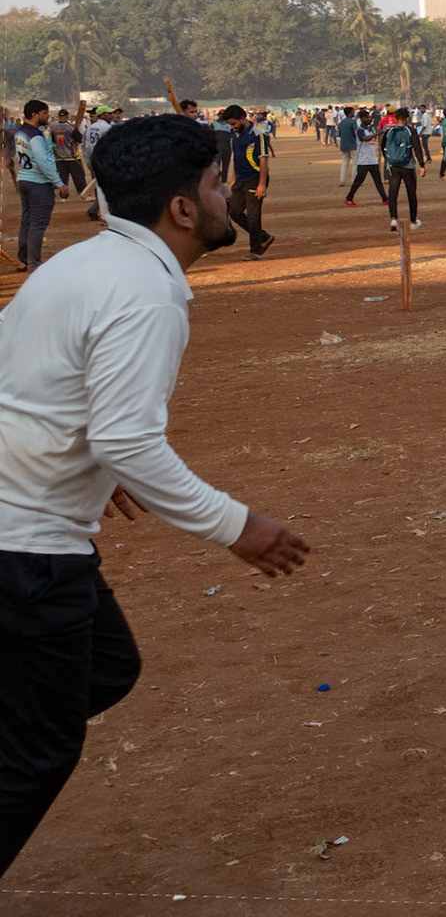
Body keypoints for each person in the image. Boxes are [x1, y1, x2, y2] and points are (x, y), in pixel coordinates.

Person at [0, 113, 309, 877]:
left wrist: (78, 459)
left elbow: (35, 388)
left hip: (26, 524)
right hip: (26, 547)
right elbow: (127, 441)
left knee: (107, 667)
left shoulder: (84, 263)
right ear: (180, 208)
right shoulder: (143, 291)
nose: (226, 194)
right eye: (213, 183)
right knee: (37, 753)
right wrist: (238, 527)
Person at [12, 101, 65, 271]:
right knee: (37, 224)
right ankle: (33, 263)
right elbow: (42, 161)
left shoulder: (20, 132)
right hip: (38, 183)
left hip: (24, 179)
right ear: (35, 114)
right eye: (44, 113)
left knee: (27, 222)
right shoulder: (35, 136)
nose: (47, 116)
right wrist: (58, 183)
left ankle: (24, 258)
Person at [217, 104, 272, 258]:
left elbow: (263, 161)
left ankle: (256, 250)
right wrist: (233, 180)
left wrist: (262, 184)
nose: (232, 127)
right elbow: (238, 158)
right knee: (234, 211)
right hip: (240, 179)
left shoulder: (257, 134)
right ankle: (263, 237)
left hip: (255, 179)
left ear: (243, 118)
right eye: (229, 124)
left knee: (254, 216)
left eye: (234, 123)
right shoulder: (234, 134)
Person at [382, 107, 425, 231]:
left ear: (395, 119)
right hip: (408, 165)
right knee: (411, 192)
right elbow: (417, 148)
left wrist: (390, 160)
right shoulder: (411, 131)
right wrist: (422, 165)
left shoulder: (389, 132)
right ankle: (412, 221)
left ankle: (394, 219)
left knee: (393, 192)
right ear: (407, 119)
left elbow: (383, 147)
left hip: (393, 166)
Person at [344, 109, 386, 206]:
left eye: (369, 117)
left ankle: (385, 198)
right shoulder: (360, 130)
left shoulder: (370, 129)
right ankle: (349, 198)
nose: (369, 119)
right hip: (363, 161)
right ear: (361, 119)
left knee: (378, 181)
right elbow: (364, 139)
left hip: (372, 160)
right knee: (358, 181)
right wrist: (376, 134)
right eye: (366, 117)